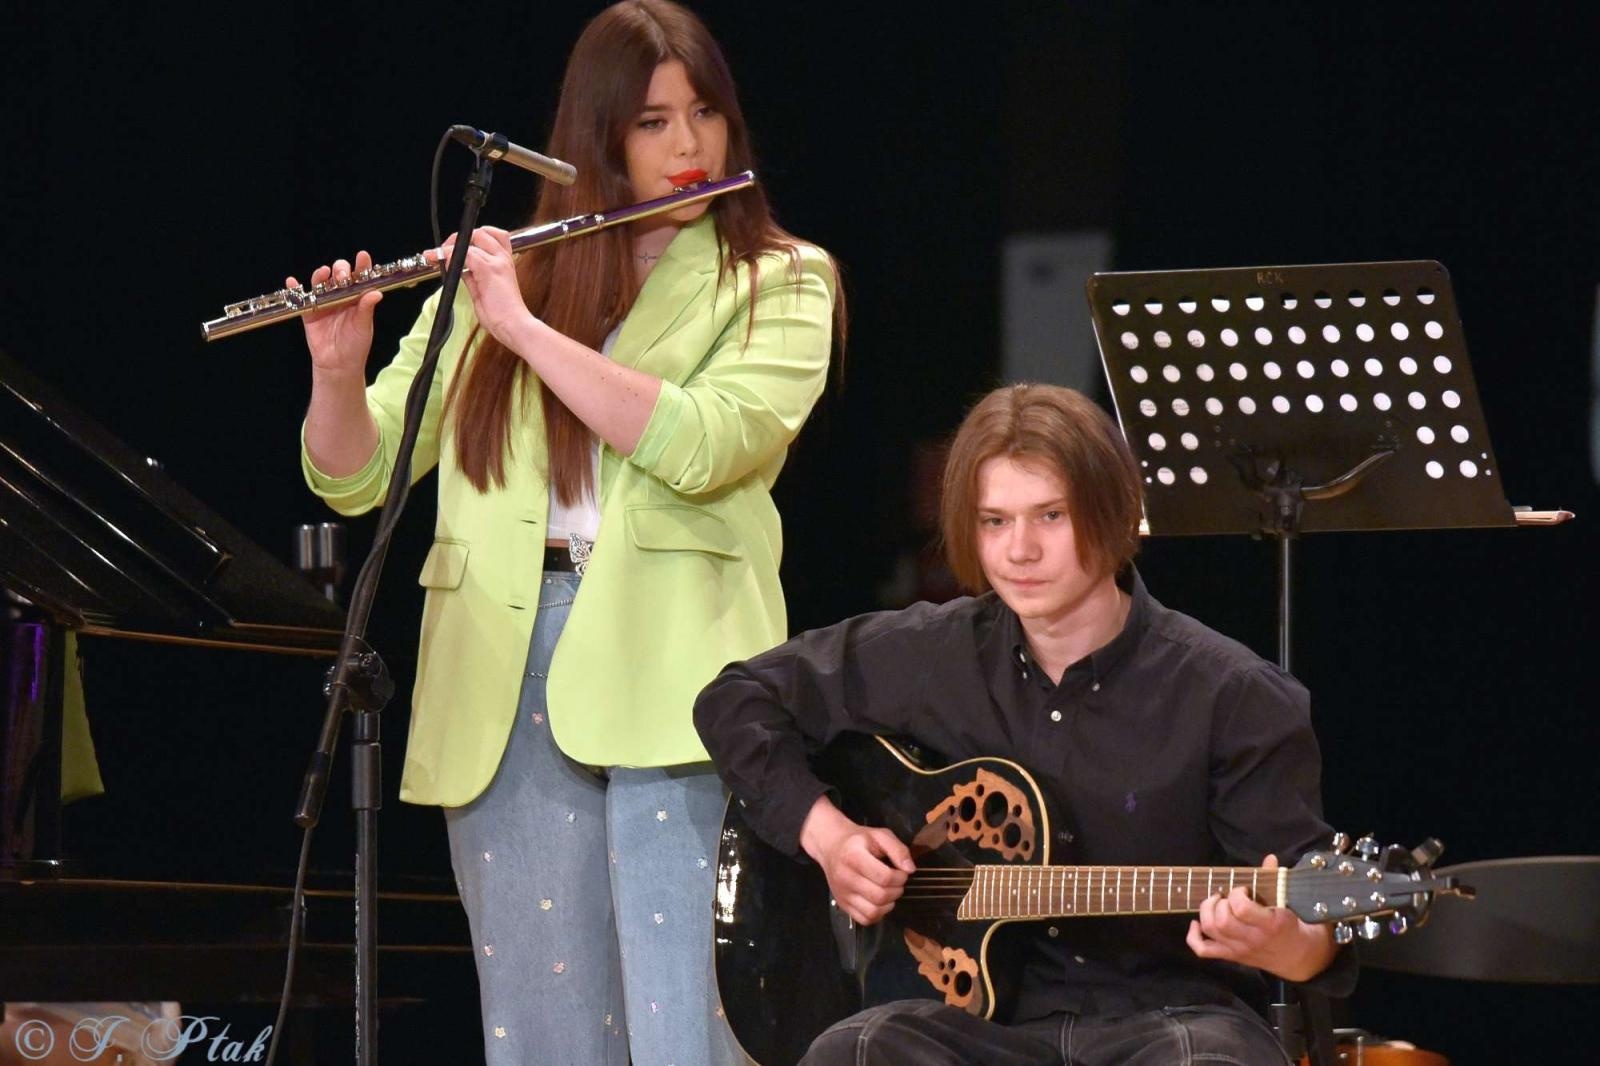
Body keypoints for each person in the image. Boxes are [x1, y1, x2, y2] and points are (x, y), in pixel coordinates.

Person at [294, 3, 840, 1062]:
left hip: (679, 663)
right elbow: (357, 474)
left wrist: (525, 332)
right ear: (597, 139)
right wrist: (333, 367)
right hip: (502, 665)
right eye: (651, 122)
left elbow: (702, 442)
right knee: (542, 1030)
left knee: (691, 1028)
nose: (688, 147)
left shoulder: (781, 278)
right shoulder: (506, 278)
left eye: (704, 115)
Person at [694, 384, 1352, 1066]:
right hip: (979, 1030)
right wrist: (830, 838)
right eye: (995, 522)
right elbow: (737, 701)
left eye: (1050, 517)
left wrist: (1288, 945)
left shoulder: (1232, 694)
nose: (1020, 551)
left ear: (1116, 513)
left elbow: (1311, 926)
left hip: (1168, 1023)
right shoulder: (932, 652)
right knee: (856, 1049)